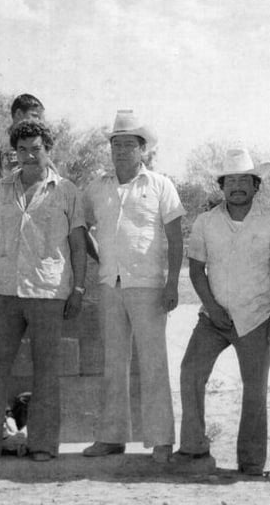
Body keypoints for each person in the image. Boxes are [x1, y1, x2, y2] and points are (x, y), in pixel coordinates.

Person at [0, 120, 87, 463]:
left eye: (36, 149)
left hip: (49, 290)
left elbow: (78, 244)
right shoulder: (2, 189)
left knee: (46, 371)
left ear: (49, 150)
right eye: (22, 150)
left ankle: (43, 445)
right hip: (5, 289)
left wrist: (77, 288)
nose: (29, 156)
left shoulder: (66, 191)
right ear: (14, 153)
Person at [175, 149, 270, 476]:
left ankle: (251, 463)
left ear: (256, 185)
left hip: (256, 318)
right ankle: (194, 448)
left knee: (255, 390)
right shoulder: (205, 222)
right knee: (190, 373)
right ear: (221, 186)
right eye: (230, 180)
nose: (237, 186)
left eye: (244, 180)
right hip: (213, 319)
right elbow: (197, 270)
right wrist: (212, 308)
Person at [81, 110, 185, 463]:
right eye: (116, 144)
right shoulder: (96, 188)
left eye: (129, 144)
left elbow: (174, 236)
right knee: (114, 364)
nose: (122, 150)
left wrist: (172, 283)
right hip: (110, 285)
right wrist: (101, 260)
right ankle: (112, 437)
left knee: (154, 363)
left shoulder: (160, 185)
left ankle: (160, 440)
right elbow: (79, 228)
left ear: (143, 150)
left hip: (149, 286)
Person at [0, 94, 45, 191]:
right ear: (18, 114)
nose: (38, 121)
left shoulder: (37, 140)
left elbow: (46, 164)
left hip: (32, 190)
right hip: (9, 191)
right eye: (35, 116)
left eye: (39, 118)